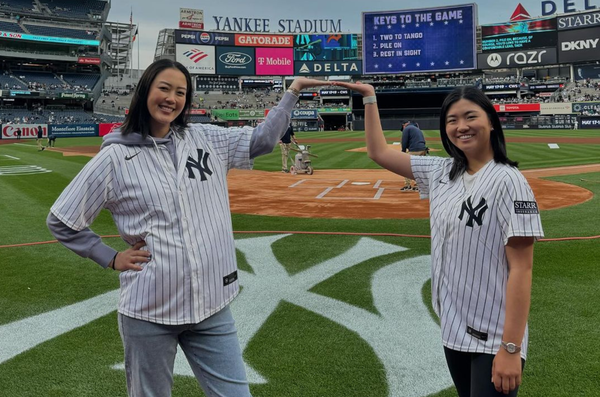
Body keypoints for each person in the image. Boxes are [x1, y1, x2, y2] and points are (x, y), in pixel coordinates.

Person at [47, 59, 328, 397]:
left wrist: (292, 91)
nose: (172, 98)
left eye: (180, 92)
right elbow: (62, 219)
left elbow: (263, 140)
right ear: (145, 91)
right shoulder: (115, 158)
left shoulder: (206, 137)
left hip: (211, 305)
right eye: (164, 88)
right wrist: (109, 257)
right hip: (149, 310)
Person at [332, 81, 543, 397]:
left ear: (490, 121)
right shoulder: (442, 171)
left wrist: (511, 348)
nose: (461, 127)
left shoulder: (509, 181)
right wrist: (370, 97)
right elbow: (378, 152)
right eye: (452, 120)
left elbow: (522, 269)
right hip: (453, 329)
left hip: (495, 336)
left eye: (470, 117)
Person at [400, 120, 427, 192]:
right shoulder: (417, 129)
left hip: (415, 150)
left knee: (407, 167)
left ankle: (407, 186)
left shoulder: (407, 129)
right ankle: (418, 186)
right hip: (422, 149)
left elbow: (404, 141)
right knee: (419, 167)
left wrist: (403, 151)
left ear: (404, 125)